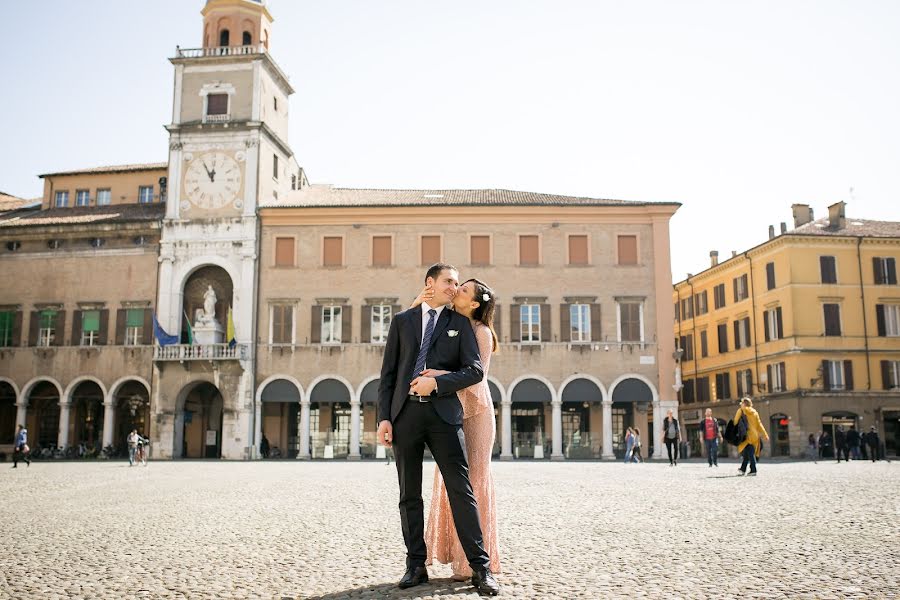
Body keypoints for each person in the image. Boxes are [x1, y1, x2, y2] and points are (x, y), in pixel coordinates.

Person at [376, 263, 500, 595]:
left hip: (444, 416)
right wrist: (384, 418)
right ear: (430, 283)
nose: (453, 287)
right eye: (449, 281)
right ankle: (415, 565)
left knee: (462, 491)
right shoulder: (403, 321)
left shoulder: (461, 324)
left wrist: (437, 383)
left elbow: (475, 371)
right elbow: (387, 375)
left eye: (458, 284)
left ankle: (481, 568)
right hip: (405, 417)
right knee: (409, 494)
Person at [413, 278, 502, 581]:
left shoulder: (482, 333)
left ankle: (472, 563)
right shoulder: (448, 323)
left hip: (475, 414)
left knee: (472, 483)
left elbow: (475, 377)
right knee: (449, 482)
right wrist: (419, 303)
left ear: (475, 303)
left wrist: (439, 376)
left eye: (463, 290)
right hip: (450, 410)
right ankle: (454, 556)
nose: (456, 291)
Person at [734, 397, 769, 476]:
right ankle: (743, 469)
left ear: (745, 404)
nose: (741, 404)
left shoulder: (742, 411)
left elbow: (735, 422)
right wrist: (765, 434)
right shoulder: (755, 412)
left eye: (742, 403)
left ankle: (753, 470)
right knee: (747, 453)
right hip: (755, 436)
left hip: (747, 435)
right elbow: (759, 425)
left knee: (750, 453)